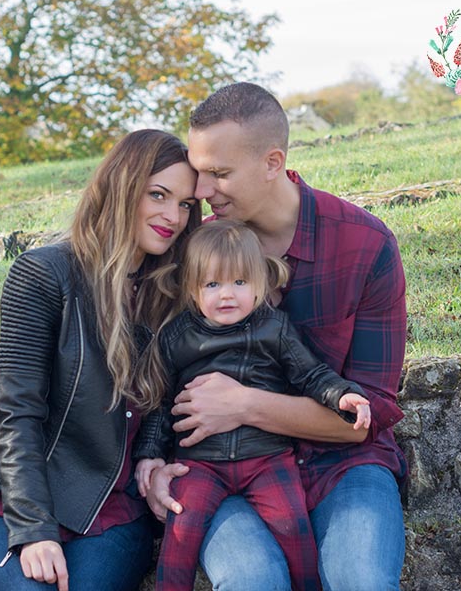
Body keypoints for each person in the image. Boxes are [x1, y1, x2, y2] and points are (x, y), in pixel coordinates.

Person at [145, 83, 409, 591]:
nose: (201, 192)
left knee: (361, 581)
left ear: (272, 162)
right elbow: (153, 375)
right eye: (199, 172)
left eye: (220, 174)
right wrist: (151, 460)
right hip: (224, 470)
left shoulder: (364, 245)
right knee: (252, 582)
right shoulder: (190, 245)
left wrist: (243, 404)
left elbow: (367, 415)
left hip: (343, 465)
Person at [0, 129, 202, 591]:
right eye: (158, 195)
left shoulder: (175, 292)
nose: (172, 216)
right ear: (121, 188)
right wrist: (34, 530)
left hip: (114, 509)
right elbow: (17, 412)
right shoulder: (43, 274)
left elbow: (164, 400)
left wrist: (153, 456)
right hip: (28, 501)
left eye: (185, 204)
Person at [133, 219, 371, 591]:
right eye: (213, 284)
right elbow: (160, 404)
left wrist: (342, 394)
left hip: (267, 459)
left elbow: (310, 375)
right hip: (199, 462)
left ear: (260, 284)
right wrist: (150, 454)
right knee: (181, 533)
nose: (227, 295)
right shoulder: (177, 337)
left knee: (294, 528)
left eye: (239, 283)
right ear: (194, 290)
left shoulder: (273, 329)